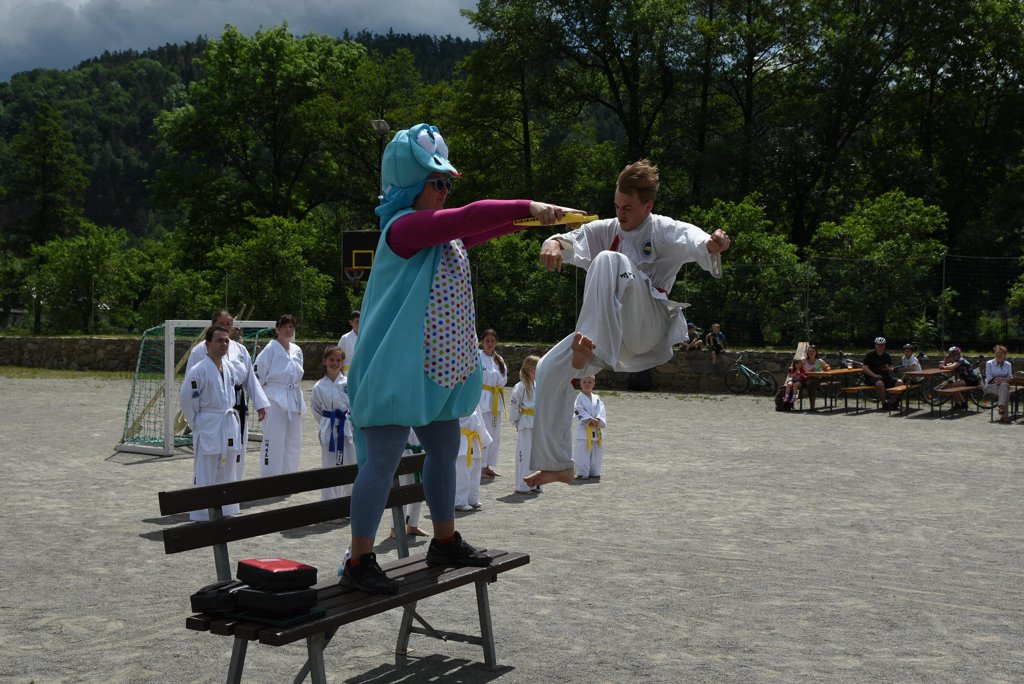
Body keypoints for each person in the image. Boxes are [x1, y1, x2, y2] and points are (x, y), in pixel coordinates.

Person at [340, 121, 585, 594]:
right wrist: (529, 207)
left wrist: (538, 222)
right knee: (383, 458)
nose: (445, 191)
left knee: (445, 448)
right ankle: (358, 560)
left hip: (436, 374)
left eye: (448, 184)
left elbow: (480, 227)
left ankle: (445, 539)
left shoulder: (439, 236)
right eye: (437, 182)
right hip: (397, 371)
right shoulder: (403, 228)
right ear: (411, 183)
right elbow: (470, 217)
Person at [527, 159, 730, 488]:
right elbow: (570, 238)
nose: (621, 215)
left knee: (609, 260)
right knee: (548, 369)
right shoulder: (607, 229)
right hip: (610, 333)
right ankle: (557, 464)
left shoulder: (662, 229)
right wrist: (552, 243)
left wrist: (712, 242)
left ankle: (592, 353)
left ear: (648, 206)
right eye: (617, 206)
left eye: (628, 208)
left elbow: (694, 238)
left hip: (647, 327)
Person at [186, 310, 269, 480]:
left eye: (229, 324)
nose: (226, 327)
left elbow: (250, 378)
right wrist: (195, 421)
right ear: (213, 325)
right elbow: (189, 390)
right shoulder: (199, 351)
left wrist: (260, 403)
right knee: (209, 455)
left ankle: (233, 486)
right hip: (210, 409)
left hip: (235, 405)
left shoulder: (240, 349)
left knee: (236, 450)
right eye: (221, 324)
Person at [179, 326, 243, 521]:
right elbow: (186, 400)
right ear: (207, 344)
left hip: (228, 422)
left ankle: (227, 511)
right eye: (219, 340)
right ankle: (203, 515)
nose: (224, 343)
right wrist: (197, 423)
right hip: (208, 424)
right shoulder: (199, 370)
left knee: (228, 469)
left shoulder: (229, 367)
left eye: (226, 340)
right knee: (206, 471)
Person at [254, 314, 305, 477]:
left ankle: (289, 478)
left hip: (294, 399)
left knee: (293, 443)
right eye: (284, 327)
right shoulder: (270, 349)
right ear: (277, 329)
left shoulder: (297, 350)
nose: (288, 330)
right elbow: (257, 378)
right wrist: (260, 403)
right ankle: (270, 479)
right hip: (274, 399)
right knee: (274, 441)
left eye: (291, 327)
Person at [311, 347, 352, 503]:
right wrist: (326, 423)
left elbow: (354, 405)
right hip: (329, 428)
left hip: (347, 429)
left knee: (350, 463)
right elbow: (316, 409)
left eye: (338, 360)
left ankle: (349, 501)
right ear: (324, 361)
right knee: (329, 465)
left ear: (342, 363)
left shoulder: (348, 383)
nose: (334, 363)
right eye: (331, 360)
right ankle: (330, 502)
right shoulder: (319, 386)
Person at [509, 355, 541, 495]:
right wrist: (516, 421)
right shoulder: (521, 386)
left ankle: (536, 484)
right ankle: (522, 486)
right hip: (526, 423)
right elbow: (514, 406)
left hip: (537, 423)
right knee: (524, 455)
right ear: (531, 370)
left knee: (537, 455)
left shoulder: (538, 384)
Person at [477, 328, 507, 478]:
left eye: (492, 341)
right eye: (487, 341)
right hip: (482, 398)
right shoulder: (477, 357)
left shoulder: (498, 359)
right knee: (484, 432)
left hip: (495, 398)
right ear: (482, 342)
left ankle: (488, 464)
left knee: (495, 433)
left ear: (496, 343)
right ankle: (480, 466)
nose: (489, 344)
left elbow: (504, 379)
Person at [455, 406, 491, 511]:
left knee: (475, 470)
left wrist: (484, 439)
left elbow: (480, 420)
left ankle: (473, 498)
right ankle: (460, 501)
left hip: (474, 438)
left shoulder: (474, 401)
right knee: (462, 472)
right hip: (461, 438)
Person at [573, 375, 607, 480]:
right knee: (582, 452)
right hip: (584, 429)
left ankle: (594, 472)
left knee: (596, 453)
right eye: (584, 382)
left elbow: (601, 410)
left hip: (596, 429)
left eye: (589, 382)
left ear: (594, 384)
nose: (587, 384)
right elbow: (577, 410)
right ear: (580, 384)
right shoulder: (579, 398)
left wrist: (598, 419)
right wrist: (589, 419)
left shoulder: (597, 398)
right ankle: (582, 472)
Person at [861, 336, 902, 409]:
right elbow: (865, 368)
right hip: (872, 377)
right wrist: (875, 375)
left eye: (882, 345)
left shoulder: (886, 355)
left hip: (885, 376)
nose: (880, 346)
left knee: (900, 382)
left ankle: (892, 402)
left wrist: (888, 369)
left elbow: (891, 367)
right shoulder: (870, 355)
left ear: (884, 346)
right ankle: (884, 403)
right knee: (879, 383)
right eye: (878, 345)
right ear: (875, 345)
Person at [938, 345, 980, 411]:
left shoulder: (961, 360)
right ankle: (962, 404)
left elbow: (951, 367)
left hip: (972, 380)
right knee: (953, 386)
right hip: (967, 380)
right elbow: (946, 365)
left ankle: (960, 404)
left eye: (955, 355)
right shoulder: (956, 361)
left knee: (952, 386)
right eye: (951, 355)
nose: (953, 356)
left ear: (958, 354)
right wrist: (945, 358)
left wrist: (943, 367)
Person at [984, 345, 1013, 422]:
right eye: (997, 353)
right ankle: (1004, 416)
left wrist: (1002, 380)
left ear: (1005, 355)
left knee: (1004, 386)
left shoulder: (1008, 364)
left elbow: (1010, 377)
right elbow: (989, 378)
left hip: (1003, 386)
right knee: (1006, 391)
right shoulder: (989, 363)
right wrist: (1001, 380)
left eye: (1001, 353)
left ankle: (1001, 408)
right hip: (991, 386)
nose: (999, 355)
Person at [799, 345, 830, 410]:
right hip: (805, 379)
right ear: (807, 352)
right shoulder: (803, 360)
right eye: (809, 351)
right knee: (811, 383)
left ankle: (812, 407)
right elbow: (797, 368)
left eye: (813, 351)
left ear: (816, 352)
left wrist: (826, 368)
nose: (811, 352)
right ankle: (812, 407)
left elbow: (827, 366)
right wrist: (808, 371)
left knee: (812, 383)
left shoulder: (818, 361)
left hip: (815, 380)